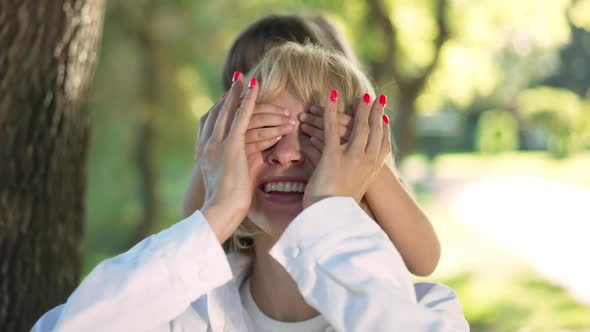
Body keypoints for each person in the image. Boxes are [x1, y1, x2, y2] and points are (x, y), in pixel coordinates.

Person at [32, 42, 468, 332]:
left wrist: (331, 209)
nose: (286, 154)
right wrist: (220, 208)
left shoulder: (429, 313)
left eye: (321, 137)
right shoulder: (173, 311)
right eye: (264, 131)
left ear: (367, 161)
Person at [184, 14, 441, 276]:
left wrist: (363, 154)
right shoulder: (232, 165)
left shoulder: (359, 162)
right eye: (254, 80)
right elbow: (193, 226)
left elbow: (424, 260)